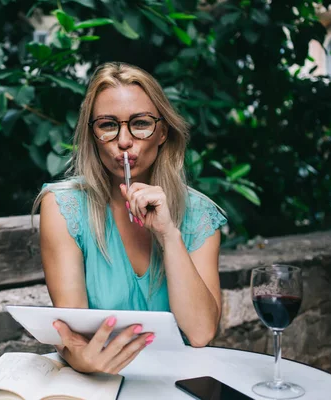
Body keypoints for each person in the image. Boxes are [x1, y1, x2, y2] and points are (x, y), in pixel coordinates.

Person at [32, 62, 227, 375]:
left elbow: (201, 333)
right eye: (108, 125)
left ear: (162, 132)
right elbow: (72, 333)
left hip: (178, 383)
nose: (124, 140)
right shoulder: (63, 207)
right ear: (93, 135)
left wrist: (168, 235)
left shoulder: (199, 215)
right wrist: (82, 359)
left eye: (140, 123)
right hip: (100, 383)